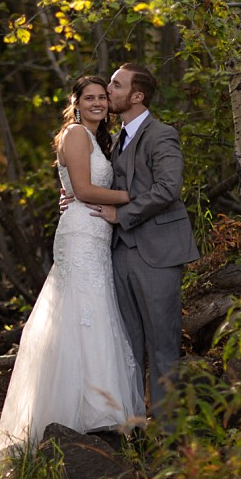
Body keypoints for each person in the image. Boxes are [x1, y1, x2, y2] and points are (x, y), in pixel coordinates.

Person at [0, 76, 145, 479]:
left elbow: (78, 188)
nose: (99, 103)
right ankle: (75, 413)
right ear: (77, 103)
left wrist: (98, 196)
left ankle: (99, 408)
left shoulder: (94, 138)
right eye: (90, 98)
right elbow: (84, 189)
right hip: (82, 233)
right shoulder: (75, 134)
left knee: (95, 311)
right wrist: (133, 196)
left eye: (104, 97)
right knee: (82, 312)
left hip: (94, 232)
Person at [80, 62, 200, 422]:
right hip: (119, 253)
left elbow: (168, 188)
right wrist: (76, 196)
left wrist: (123, 215)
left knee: (162, 346)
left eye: (115, 86)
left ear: (137, 96)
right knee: (127, 346)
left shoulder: (161, 134)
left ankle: (168, 435)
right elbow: (106, 187)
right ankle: (133, 423)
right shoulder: (116, 140)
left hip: (158, 253)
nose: (107, 92)